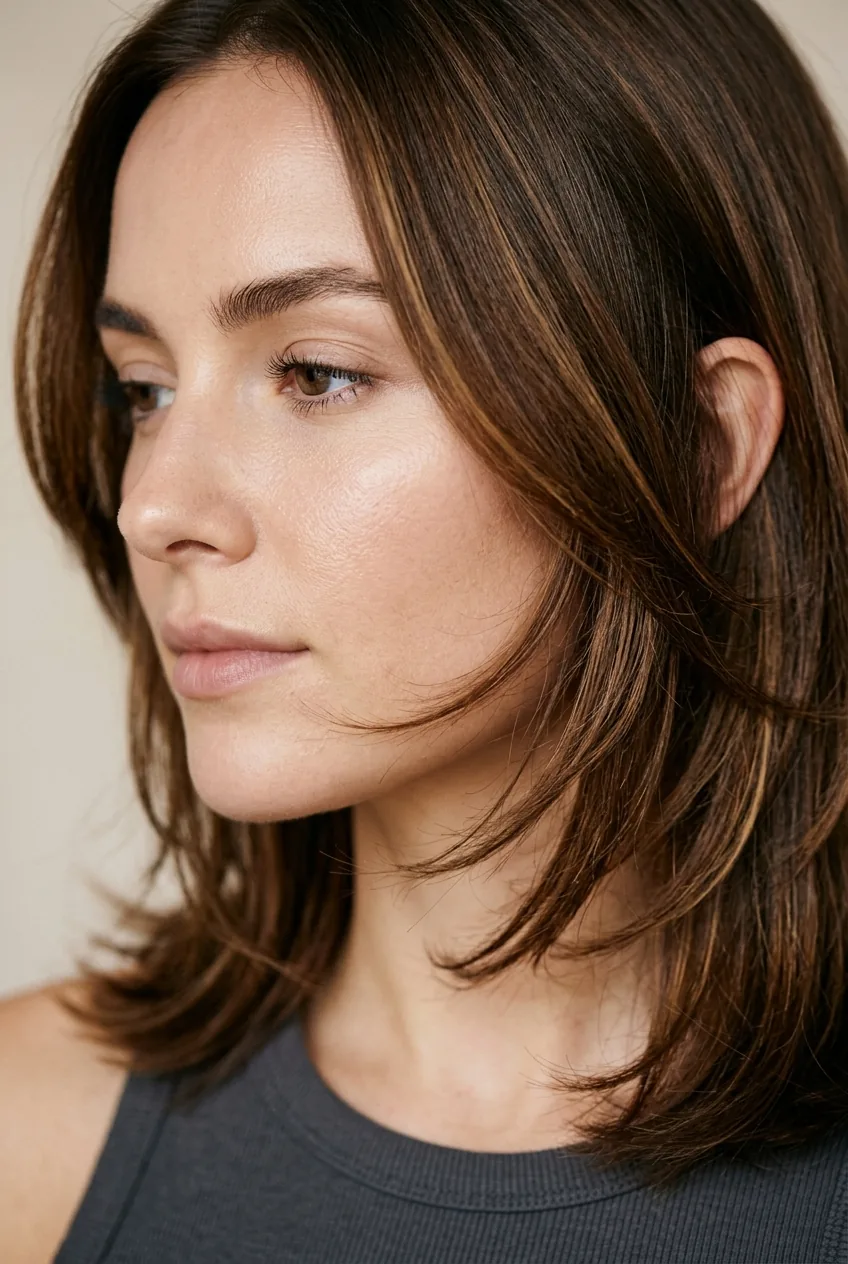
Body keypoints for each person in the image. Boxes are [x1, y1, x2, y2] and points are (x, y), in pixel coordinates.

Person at [3, 0, 848, 1259]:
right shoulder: (27, 1140)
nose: (153, 507)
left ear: (700, 444)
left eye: (317, 373)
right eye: (144, 390)